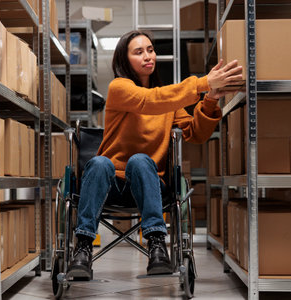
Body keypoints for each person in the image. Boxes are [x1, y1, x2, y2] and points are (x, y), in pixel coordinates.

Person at [68, 30, 242, 278]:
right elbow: (149, 100)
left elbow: (197, 134)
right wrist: (203, 83)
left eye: (150, 50)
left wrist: (211, 99)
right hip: (110, 185)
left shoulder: (169, 104)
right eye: (138, 52)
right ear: (124, 60)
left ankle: (158, 245)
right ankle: (83, 247)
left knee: (140, 160)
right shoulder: (119, 87)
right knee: (98, 163)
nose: (148, 56)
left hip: (149, 184)